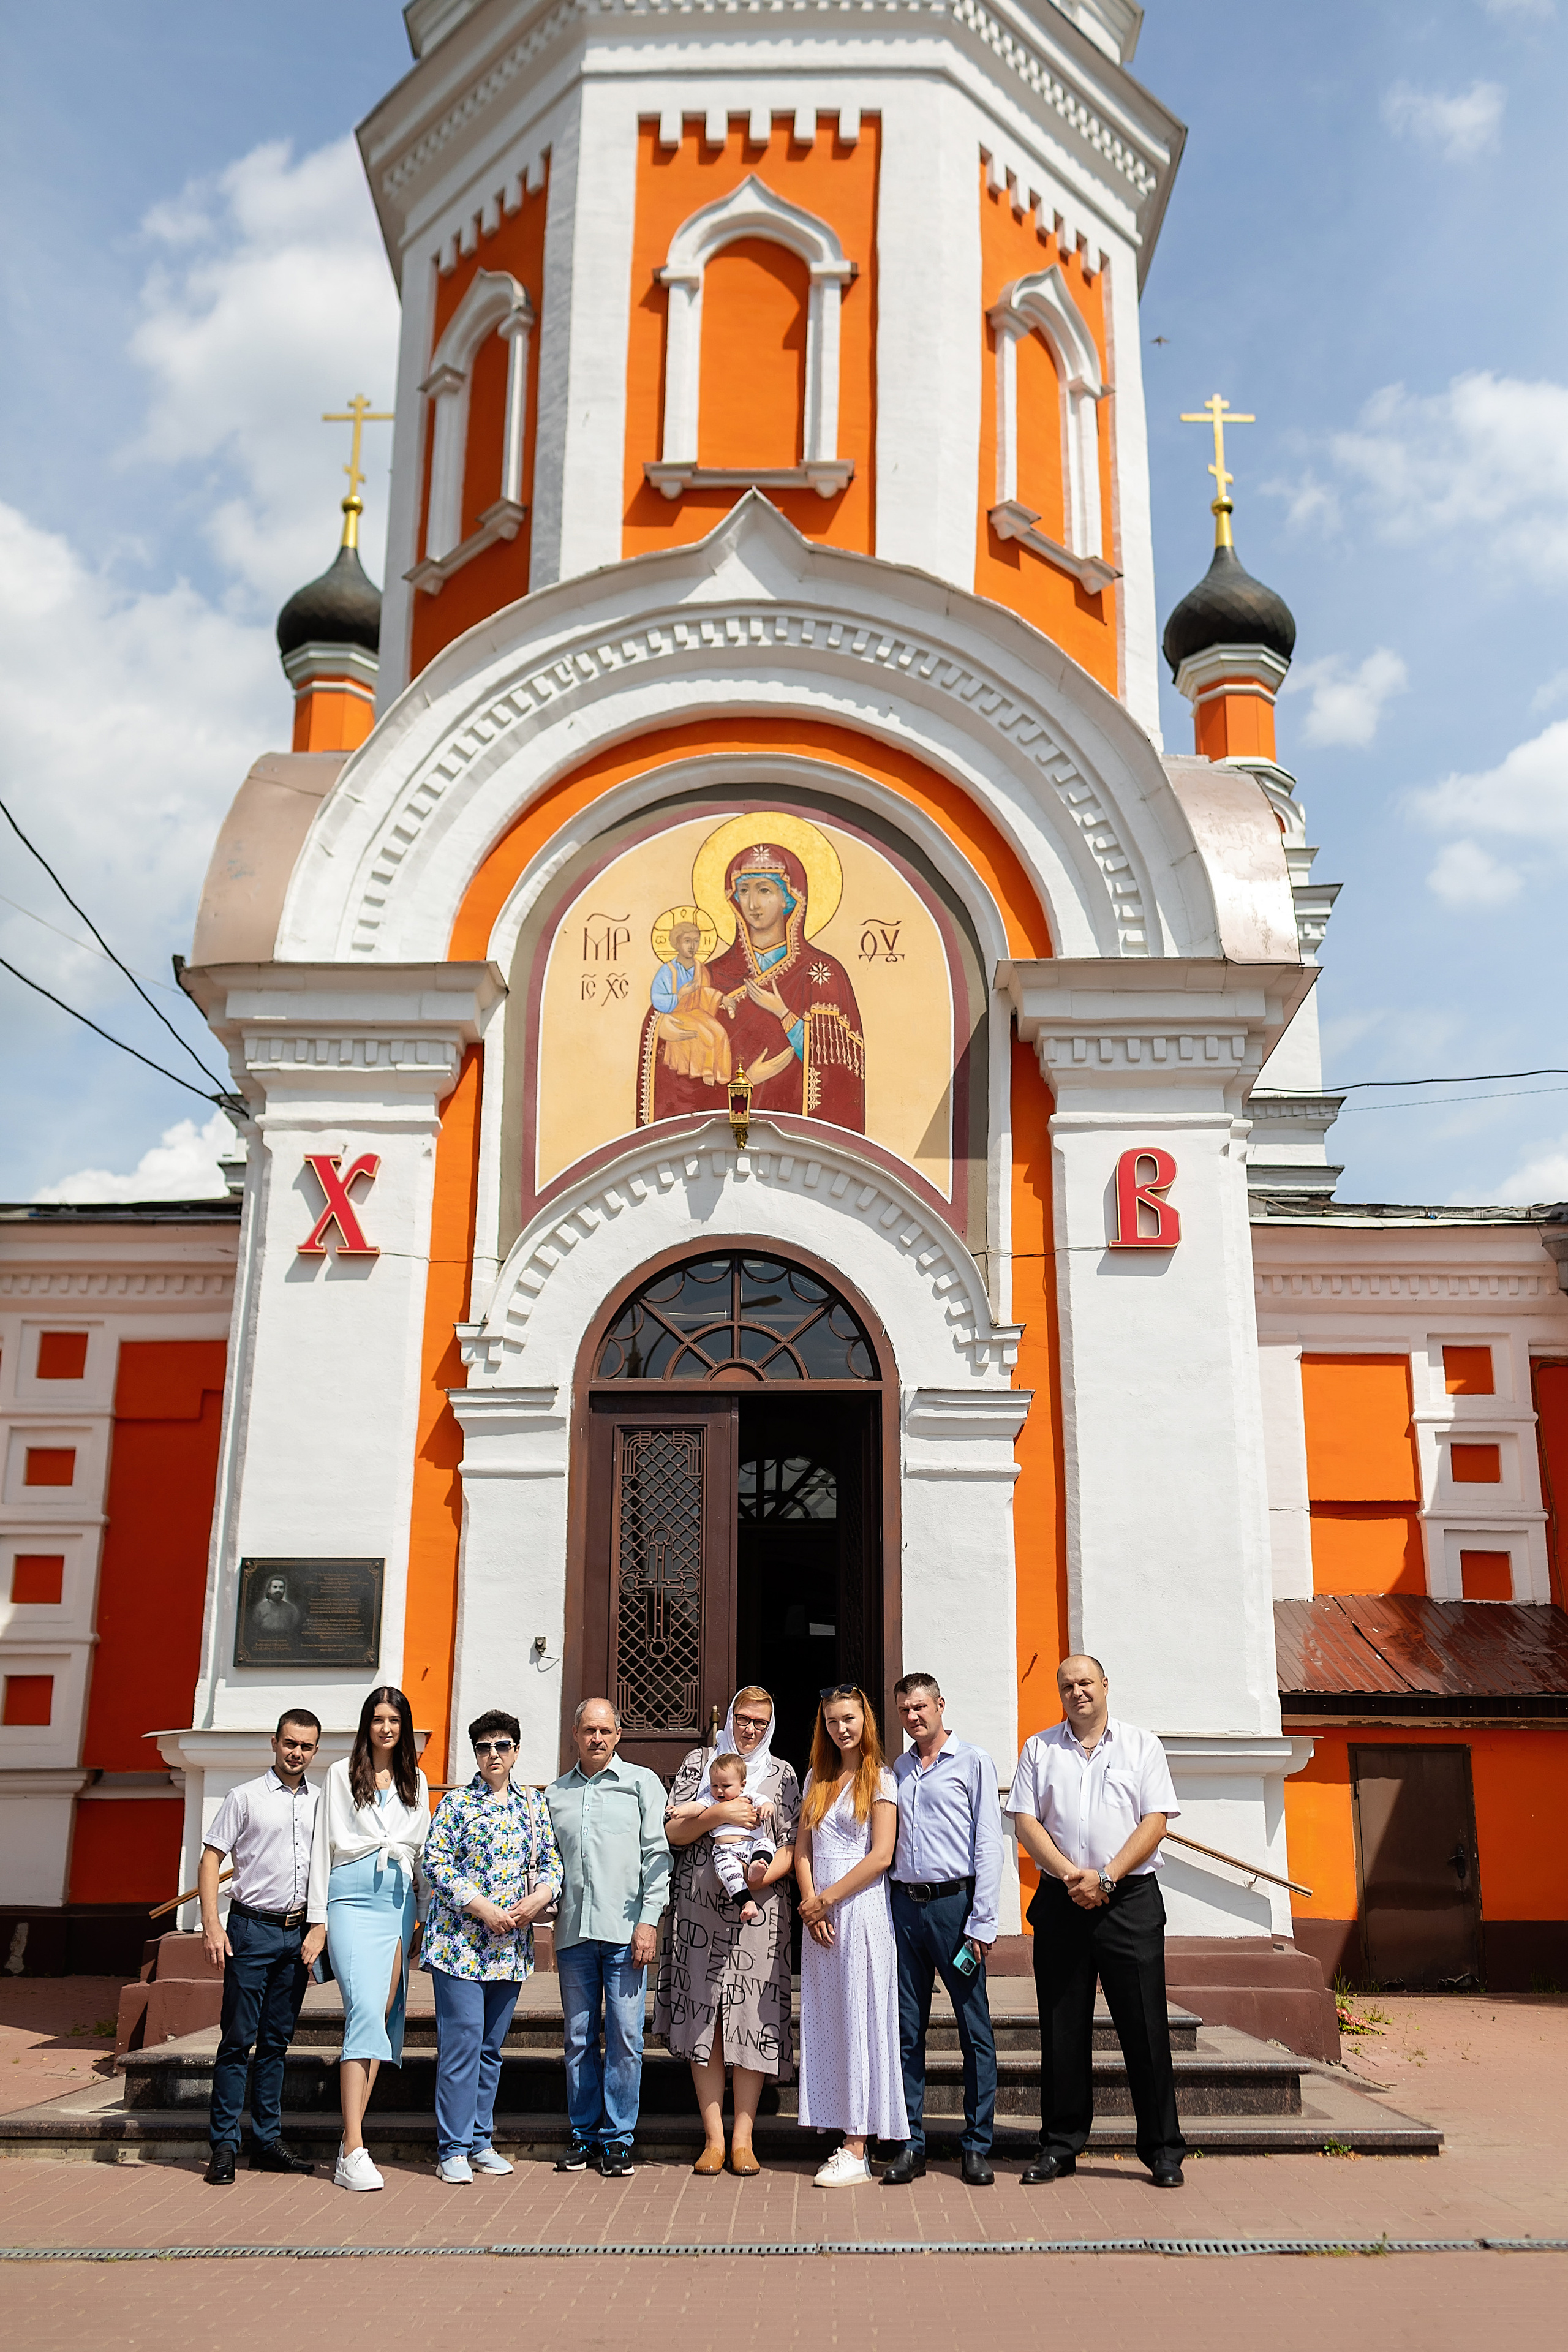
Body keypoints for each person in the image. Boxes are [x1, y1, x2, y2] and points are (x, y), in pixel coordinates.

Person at [1006, 1654, 1186, 2190]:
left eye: (1086, 1682)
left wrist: (1105, 1878)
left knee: (1146, 2029)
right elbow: (1024, 1820)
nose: (1077, 1691)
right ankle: (1060, 2146)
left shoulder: (1141, 1746)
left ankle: (1162, 2150)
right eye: (1067, 1685)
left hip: (1128, 1900)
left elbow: (1155, 1822)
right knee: (1062, 2030)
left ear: (1105, 1685)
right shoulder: (1039, 1749)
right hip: (1063, 1901)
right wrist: (1070, 1876)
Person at [655, 1687, 800, 2177]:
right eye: (743, 1718)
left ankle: (743, 2139)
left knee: (751, 2019)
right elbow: (673, 1832)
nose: (750, 1729)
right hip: (699, 1913)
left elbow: (792, 1843)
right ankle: (713, 2139)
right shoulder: (700, 1764)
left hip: (758, 1913)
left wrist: (763, 1877)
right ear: (729, 1719)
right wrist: (720, 1814)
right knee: (706, 2018)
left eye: (760, 1721)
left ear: (770, 1724)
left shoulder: (782, 1776)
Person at [421, 1708, 564, 2185]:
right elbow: (436, 1863)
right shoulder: (459, 1804)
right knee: (461, 2045)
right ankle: (452, 2148)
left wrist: (541, 1896)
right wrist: (482, 1907)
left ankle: (480, 2141)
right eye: (484, 1747)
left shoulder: (531, 1804)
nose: (494, 1755)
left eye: (502, 1745)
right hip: (460, 1945)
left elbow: (551, 1862)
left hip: (510, 1948)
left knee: (489, 2049)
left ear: (516, 1751)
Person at [301, 1685, 431, 2195]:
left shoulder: (415, 1780)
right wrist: (319, 1920)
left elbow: (420, 1855)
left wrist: (422, 1916)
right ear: (366, 1724)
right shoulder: (338, 1774)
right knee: (362, 2010)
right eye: (377, 1718)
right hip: (350, 1898)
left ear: (403, 1727)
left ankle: (349, 2145)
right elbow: (320, 1851)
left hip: (398, 1904)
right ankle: (354, 2147)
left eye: (394, 1719)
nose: (385, 1727)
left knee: (382, 2016)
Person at [881, 1672, 1002, 2188]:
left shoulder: (972, 1763)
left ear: (941, 1706)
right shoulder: (897, 1770)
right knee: (907, 2030)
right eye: (906, 1710)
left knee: (975, 2029)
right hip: (905, 1908)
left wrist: (983, 1921)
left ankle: (977, 2145)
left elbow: (989, 1845)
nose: (914, 1717)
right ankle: (912, 2142)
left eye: (922, 1707)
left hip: (956, 1907)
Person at [546, 1697, 671, 2178]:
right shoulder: (554, 1794)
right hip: (574, 1933)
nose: (597, 1738)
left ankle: (618, 2139)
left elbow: (657, 1857)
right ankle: (583, 2135)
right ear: (574, 1735)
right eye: (588, 1731)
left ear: (618, 1736)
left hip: (626, 1934)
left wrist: (649, 1921)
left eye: (605, 1731)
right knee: (578, 2038)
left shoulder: (641, 1784)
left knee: (624, 2036)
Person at [198, 1709, 323, 2185]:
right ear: (275, 1743)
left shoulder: (322, 1803)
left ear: (314, 1750)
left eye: (306, 1746)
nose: (297, 1753)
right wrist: (212, 1924)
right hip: (251, 1931)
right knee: (237, 2041)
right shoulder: (244, 1797)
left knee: (276, 2043)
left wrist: (320, 1929)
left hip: (298, 1935)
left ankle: (267, 2141)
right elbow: (211, 1860)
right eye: (290, 1743)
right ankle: (225, 2146)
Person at [795, 1683, 907, 2188]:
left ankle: (859, 2144)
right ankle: (839, 2128)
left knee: (862, 2018)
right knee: (829, 2020)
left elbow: (881, 1856)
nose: (843, 1728)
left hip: (860, 1911)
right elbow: (802, 1848)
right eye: (834, 1720)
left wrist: (828, 1898)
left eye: (850, 1718)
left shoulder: (879, 1777)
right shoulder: (816, 1778)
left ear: (866, 1721)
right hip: (819, 1914)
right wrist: (809, 1902)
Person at [704, 1751, 777, 1922]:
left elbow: (765, 1803)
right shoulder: (711, 1799)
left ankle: (756, 1866)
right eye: (715, 1786)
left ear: (742, 1785)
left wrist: (767, 1808)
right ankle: (747, 1903)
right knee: (729, 1873)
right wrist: (680, 1811)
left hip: (749, 1847)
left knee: (766, 1844)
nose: (719, 1790)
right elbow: (695, 1808)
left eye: (726, 1786)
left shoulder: (748, 1796)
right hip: (725, 1851)